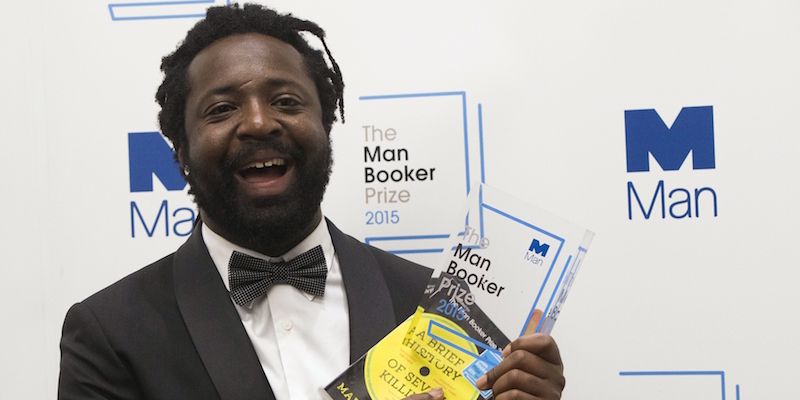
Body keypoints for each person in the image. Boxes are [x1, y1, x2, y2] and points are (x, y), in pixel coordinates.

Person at [58, 4, 566, 400]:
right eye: (222, 108)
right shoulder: (111, 332)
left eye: (285, 101)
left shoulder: (434, 309)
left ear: (325, 126)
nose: (258, 122)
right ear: (181, 150)